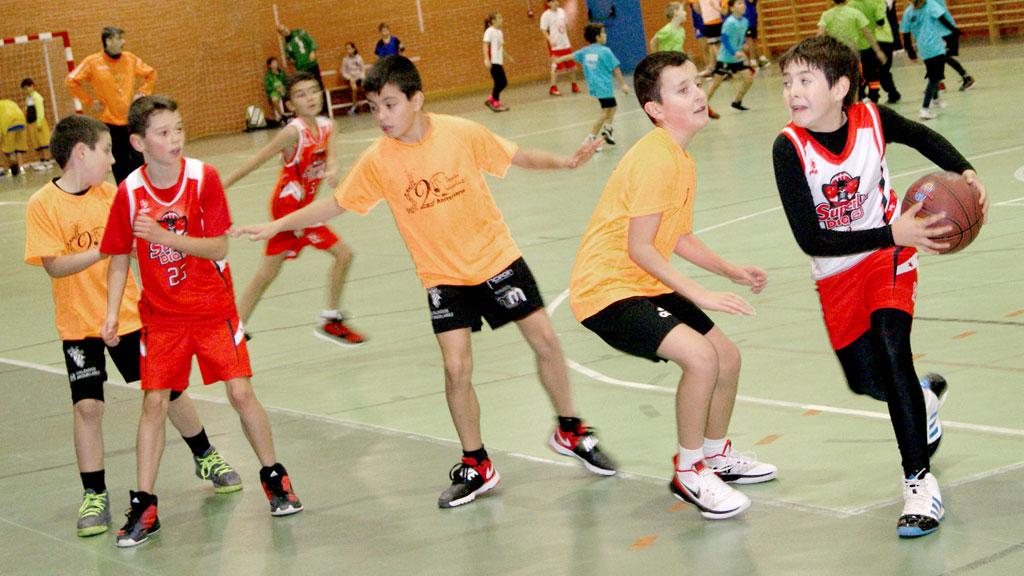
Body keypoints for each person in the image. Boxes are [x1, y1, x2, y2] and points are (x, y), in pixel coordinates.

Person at [233, 55, 614, 509]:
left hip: (497, 258)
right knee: (457, 368)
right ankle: (477, 463)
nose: (381, 116)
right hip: (443, 275)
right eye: (374, 107)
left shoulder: (459, 132)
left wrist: (566, 163)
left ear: (416, 100)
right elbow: (335, 204)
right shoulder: (378, 160)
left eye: (389, 105)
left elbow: (514, 154)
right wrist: (277, 225)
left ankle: (570, 430)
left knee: (546, 342)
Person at [772, 35, 989, 537]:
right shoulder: (789, 148)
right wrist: (893, 231)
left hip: (889, 256)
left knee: (894, 354)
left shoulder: (871, 118)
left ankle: (918, 483)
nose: (793, 91)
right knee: (867, 381)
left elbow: (922, 136)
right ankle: (924, 400)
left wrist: (965, 169)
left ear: (840, 86)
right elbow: (811, 238)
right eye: (787, 82)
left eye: (805, 80)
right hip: (836, 270)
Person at [570, 50, 776, 521]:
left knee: (727, 357)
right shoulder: (654, 159)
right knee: (702, 358)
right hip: (607, 289)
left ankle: (715, 452)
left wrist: (730, 270)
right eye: (682, 90)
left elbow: (676, 235)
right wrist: (700, 294)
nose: (699, 94)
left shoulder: (680, 160)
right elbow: (641, 247)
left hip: (641, 282)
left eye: (696, 83)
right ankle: (688, 471)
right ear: (655, 109)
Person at [23, 114, 243, 539]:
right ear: (80, 153)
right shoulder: (42, 205)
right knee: (88, 407)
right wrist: (107, 247)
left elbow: (147, 245)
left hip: (126, 315)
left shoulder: (115, 196)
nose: (111, 160)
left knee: (168, 391)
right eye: (105, 151)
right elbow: (55, 266)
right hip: (78, 325)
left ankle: (206, 453)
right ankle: (95, 495)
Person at [100, 95, 303, 548]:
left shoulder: (202, 177)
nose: (175, 139)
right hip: (163, 319)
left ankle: (275, 477)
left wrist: (166, 236)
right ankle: (145, 506)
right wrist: (113, 312)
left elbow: (218, 248)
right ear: (138, 141)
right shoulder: (129, 192)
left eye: (179, 129)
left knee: (240, 392)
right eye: (163, 132)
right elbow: (117, 257)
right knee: (153, 405)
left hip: (213, 310)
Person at [223, 72, 364, 347]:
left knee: (267, 273)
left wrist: (333, 172)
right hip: (287, 210)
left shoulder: (328, 126)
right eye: (301, 94)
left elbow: (332, 159)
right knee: (343, 254)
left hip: (304, 209)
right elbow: (256, 161)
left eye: (313, 91)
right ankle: (330, 320)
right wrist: (221, 184)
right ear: (290, 105)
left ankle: (232, 328)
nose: (310, 97)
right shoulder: (292, 133)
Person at [65, 27, 155, 184]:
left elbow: (151, 74)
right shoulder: (92, 62)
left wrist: (142, 93)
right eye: (119, 38)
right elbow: (71, 81)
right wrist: (90, 101)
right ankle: (125, 194)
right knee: (119, 163)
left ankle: (145, 191)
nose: (123, 42)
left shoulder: (130, 59)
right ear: (108, 41)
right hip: (110, 123)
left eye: (123, 38)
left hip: (131, 120)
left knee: (139, 160)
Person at [553, 23, 629, 148]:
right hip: (604, 86)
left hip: (595, 86)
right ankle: (591, 138)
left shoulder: (585, 51)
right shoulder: (605, 51)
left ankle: (607, 130)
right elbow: (616, 69)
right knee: (605, 112)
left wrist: (558, 60)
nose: (605, 35)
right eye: (603, 33)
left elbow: (570, 56)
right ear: (597, 37)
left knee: (613, 106)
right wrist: (623, 84)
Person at [817, 0, 888, 103]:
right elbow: (867, 34)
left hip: (835, 52)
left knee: (840, 77)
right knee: (855, 76)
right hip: (852, 52)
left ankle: (844, 100)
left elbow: (820, 34)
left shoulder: (827, 15)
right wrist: (878, 51)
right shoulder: (855, 13)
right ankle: (860, 97)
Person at [900, 0, 958, 119]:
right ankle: (924, 109)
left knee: (936, 74)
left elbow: (905, 33)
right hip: (935, 46)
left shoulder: (908, 12)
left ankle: (935, 99)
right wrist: (954, 31)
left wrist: (910, 51)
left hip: (924, 49)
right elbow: (942, 18)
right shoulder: (930, 5)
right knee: (934, 77)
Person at [704, 0, 756, 115]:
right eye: (739, 3)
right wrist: (733, 53)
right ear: (732, 8)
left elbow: (740, 35)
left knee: (749, 79)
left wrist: (743, 43)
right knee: (716, 83)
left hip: (738, 58)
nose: (743, 5)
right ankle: (702, 106)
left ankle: (736, 102)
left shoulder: (745, 21)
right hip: (726, 58)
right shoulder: (729, 22)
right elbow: (724, 39)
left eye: (743, 3)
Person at [849, 0, 902, 103]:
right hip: (879, 38)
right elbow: (880, 21)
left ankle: (879, 95)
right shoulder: (876, 3)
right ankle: (885, 94)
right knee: (879, 71)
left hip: (870, 40)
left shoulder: (854, 4)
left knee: (872, 71)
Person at [932, 0, 976, 91]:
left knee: (945, 57)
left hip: (947, 32)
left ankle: (967, 78)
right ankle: (939, 83)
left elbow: (941, 17)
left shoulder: (931, 2)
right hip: (940, 32)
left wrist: (953, 30)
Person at [539, 0, 580, 96]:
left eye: (556, 1)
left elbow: (566, 26)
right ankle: (553, 87)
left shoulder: (562, 12)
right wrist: (550, 39)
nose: (556, 3)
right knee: (556, 67)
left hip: (565, 44)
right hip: (556, 46)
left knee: (571, 66)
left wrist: (568, 39)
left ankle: (574, 85)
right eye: (553, 1)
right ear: (549, 3)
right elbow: (543, 30)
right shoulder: (546, 15)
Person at [277, 25, 324, 90]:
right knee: (308, 87)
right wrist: (291, 60)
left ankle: (324, 100)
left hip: (311, 64)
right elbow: (289, 57)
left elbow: (311, 41)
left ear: (287, 27)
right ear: (281, 34)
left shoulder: (300, 32)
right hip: (301, 69)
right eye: (282, 31)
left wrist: (313, 52)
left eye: (285, 29)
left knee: (318, 85)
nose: (285, 31)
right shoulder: (286, 45)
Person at [483, 12, 513, 112]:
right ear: (493, 21)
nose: (501, 19)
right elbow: (485, 46)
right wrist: (487, 59)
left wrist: (508, 58)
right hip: (493, 61)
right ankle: (495, 103)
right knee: (501, 83)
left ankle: (491, 99)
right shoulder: (489, 31)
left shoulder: (499, 32)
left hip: (498, 61)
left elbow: (500, 47)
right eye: (499, 18)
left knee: (502, 82)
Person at [20, 78, 54, 167]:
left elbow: (40, 110)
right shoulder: (28, 98)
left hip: (39, 122)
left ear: (32, 86)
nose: (26, 91)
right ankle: (42, 160)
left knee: (43, 141)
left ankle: (48, 160)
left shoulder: (37, 96)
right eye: (24, 89)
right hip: (31, 123)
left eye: (27, 88)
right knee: (36, 142)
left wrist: (39, 123)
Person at [692, 0, 726, 77]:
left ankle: (722, 67)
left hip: (709, 20)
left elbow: (696, 7)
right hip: (718, 18)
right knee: (715, 44)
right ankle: (713, 67)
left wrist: (705, 13)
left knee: (713, 45)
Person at [0, 99, 27, 176]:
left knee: (6, 151)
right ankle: (21, 169)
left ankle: (6, 170)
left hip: (9, 124)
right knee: (18, 149)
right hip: (21, 122)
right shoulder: (9, 102)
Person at [340, 42, 366, 115]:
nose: (348, 50)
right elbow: (343, 71)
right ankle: (354, 106)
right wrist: (349, 78)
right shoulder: (345, 60)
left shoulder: (359, 58)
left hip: (359, 78)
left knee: (368, 86)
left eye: (350, 48)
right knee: (354, 88)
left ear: (354, 49)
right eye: (347, 49)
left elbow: (362, 70)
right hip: (351, 79)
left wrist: (361, 77)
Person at [743, 1, 770, 67]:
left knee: (750, 39)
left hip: (749, 18)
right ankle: (762, 58)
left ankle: (753, 62)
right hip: (748, 17)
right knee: (753, 39)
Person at [264, 57, 289, 121]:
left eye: (276, 62)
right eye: (273, 63)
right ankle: (281, 114)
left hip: (283, 89)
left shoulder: (281, 73)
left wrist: (279, 75)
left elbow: (285, 81)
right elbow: (267, 87)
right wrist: (275, 89)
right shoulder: (268, 76)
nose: (276, 64)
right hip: (275, 92)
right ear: (269, 66)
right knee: (274, 99)